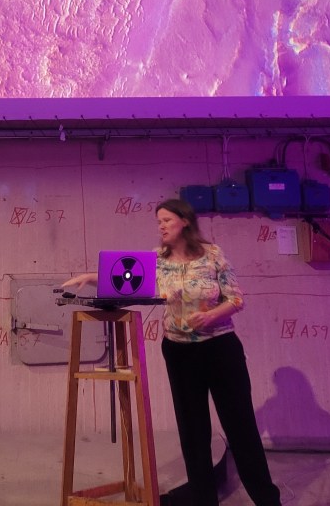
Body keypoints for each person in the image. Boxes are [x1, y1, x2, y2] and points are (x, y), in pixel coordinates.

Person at [63, 198, 281, 506]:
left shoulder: (212, 255)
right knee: (192, 431)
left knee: (240, 426)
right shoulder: (157, 259)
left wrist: (211, 315)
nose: (161, 226)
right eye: (159, 222)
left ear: (185, 221)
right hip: (179, 352)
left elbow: (236, 299)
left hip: (220, 349)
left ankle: (267, 500)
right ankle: (204, 500)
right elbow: (126, 278)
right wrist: (91, 277)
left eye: (166, 220)